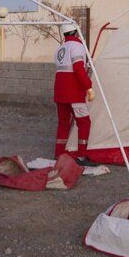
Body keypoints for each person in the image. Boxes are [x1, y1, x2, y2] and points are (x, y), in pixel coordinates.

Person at [53, 24, 96, 167]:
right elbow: (78, 68)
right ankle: (82, 156)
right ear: (75, 32)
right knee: (84, 122)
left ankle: (58, 154)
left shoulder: (60, 48)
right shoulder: (77, 47)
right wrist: (88, 86)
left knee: (63, 123)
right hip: (74, 92)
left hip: (60, 92)